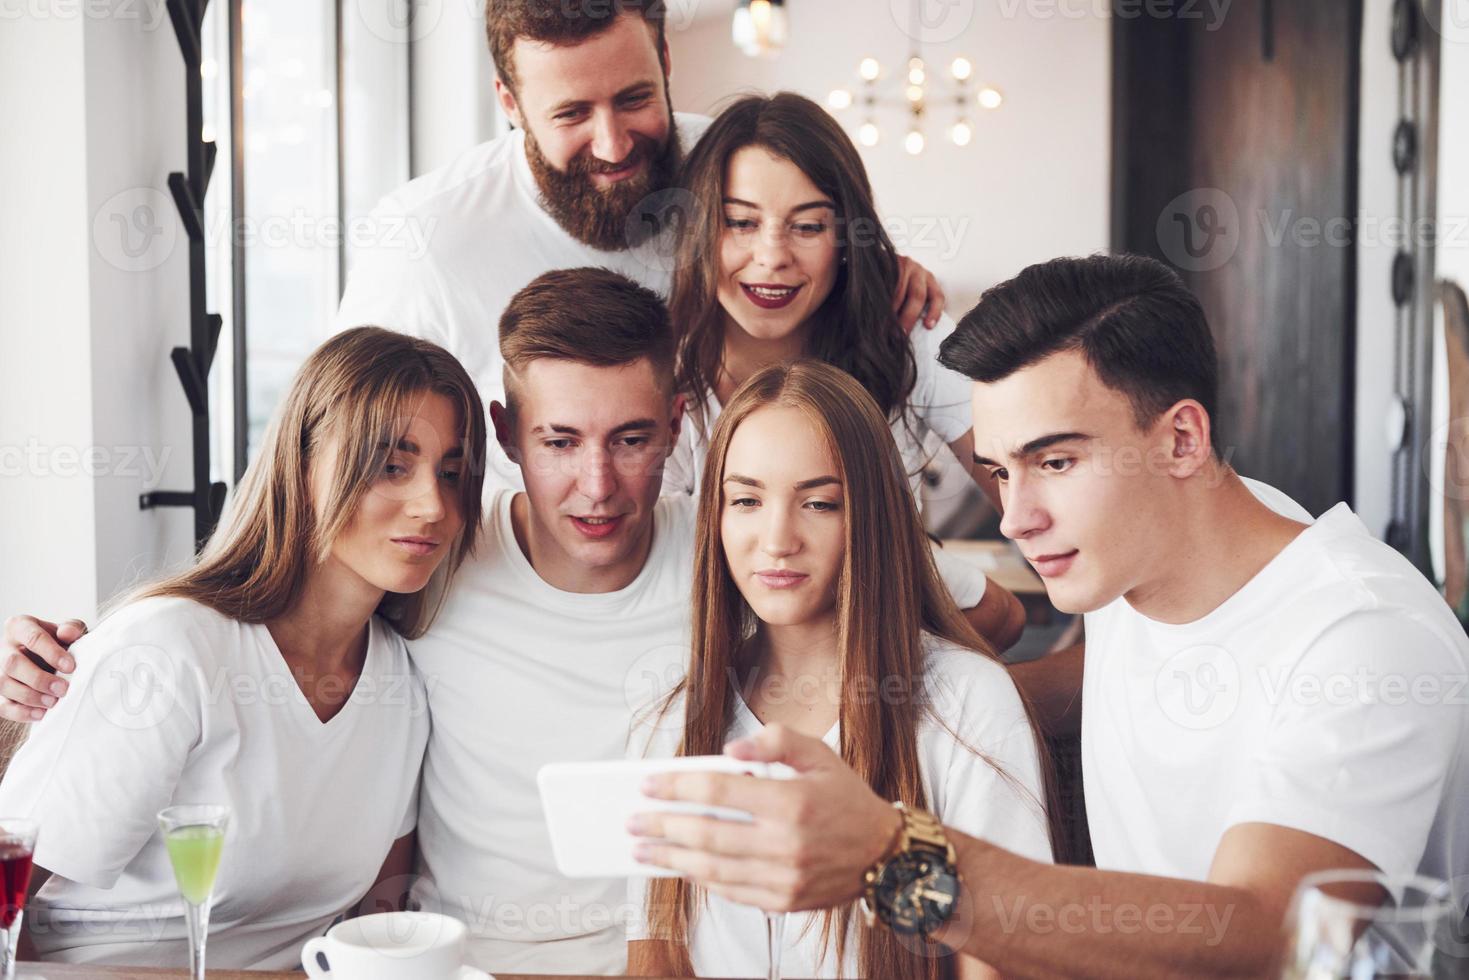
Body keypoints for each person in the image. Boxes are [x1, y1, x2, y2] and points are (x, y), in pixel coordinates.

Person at [0, 269, 1002, 975]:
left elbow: (928, 605)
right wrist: (31, 697)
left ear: (680, 422)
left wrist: (1004, 666)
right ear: (506, 431)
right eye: (559, 440)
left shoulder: (732, 541)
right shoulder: (428, 574)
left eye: (632, 438)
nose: (596, 484)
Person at [624, 254, 1469, 978]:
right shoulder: (1155, 554)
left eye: (1054, 460)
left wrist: (894, 855)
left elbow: (1264, 934)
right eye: (996, 470)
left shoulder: (1362, 637)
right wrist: (926, 714)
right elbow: (1162, 675)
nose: (1013, 516)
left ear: (1181, 440)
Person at [0, 327, 486, 968]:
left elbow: (375, 924)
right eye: (391, 466)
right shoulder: (170, 653)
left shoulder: (401, 683)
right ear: (304, 464)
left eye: (451, 473)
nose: (434, 506)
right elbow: (11, 909)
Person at [335, 0, 946, 493]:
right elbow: (335, 446)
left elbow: (815, 229)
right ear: (510, 103)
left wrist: (881, 271)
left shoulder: (725, 166)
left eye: (634, 99)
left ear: (665, 59)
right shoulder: (424, 237)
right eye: (572, 113)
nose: (613, 145)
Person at [625, 361, 1051, 979]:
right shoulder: (668, 718)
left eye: (820, 503)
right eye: (745, 500)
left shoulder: (968, 703)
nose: (777, 539)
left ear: (871, 518)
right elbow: (654, 962)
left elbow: (1003, 962)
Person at [661, 93, 995, 515]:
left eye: (807, 226)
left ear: (844, 240)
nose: (773, 256)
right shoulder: (663, 370)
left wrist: (959, 581)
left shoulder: (910, 330)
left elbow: (1032, 497)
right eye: (742, 222)